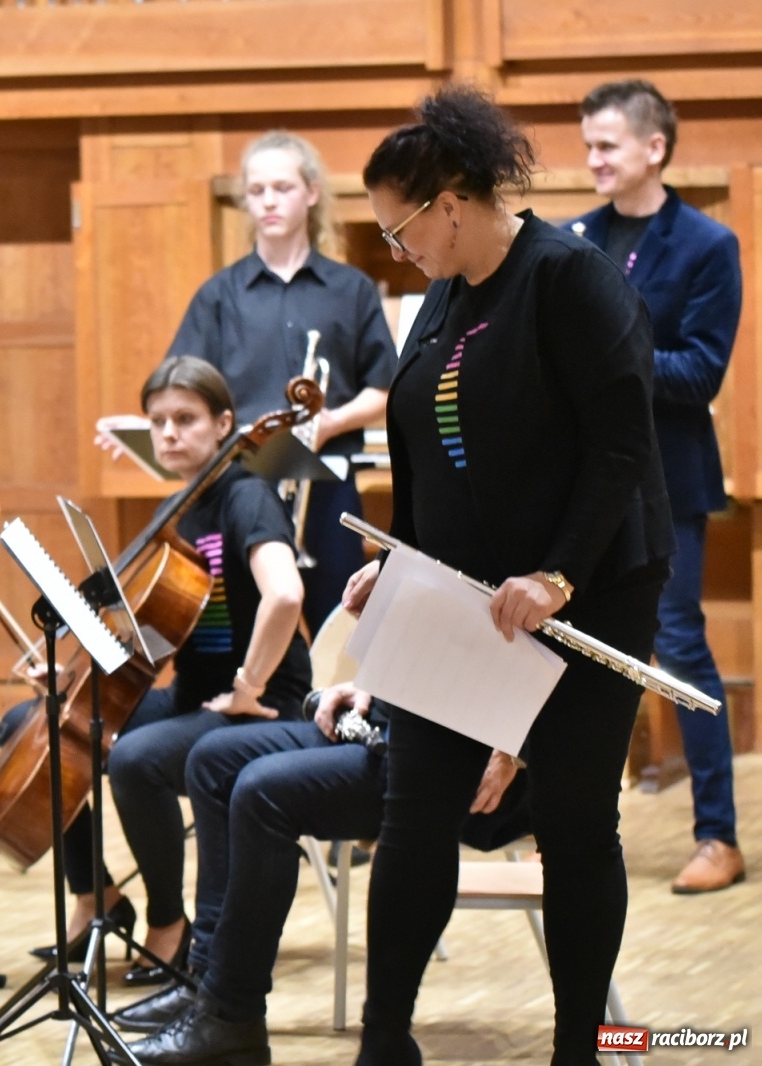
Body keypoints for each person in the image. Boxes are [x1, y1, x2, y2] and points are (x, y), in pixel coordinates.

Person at [349, 86, 673, 1065]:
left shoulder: (569, 277)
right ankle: (382, 1042)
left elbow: (621, 448)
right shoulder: (444, 293)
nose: (395, 252)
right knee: (414, 817)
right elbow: (421, 440)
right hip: (466, 602)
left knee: (574, 822)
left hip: (590, 595)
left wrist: (557, 575)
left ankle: (581, 1046)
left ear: (449, 201)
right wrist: (397, 566)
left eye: (398, 230)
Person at [3, 355, 310, 985]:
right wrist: (65, 672)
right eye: (158, 422)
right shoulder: (178, 509)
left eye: (186, 419)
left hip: (263, 699)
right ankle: (97, 897)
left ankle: (170, 926)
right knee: (31, 720)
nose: (169, 433)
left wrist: (249, 685)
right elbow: (137, 626)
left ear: (225, 423)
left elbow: (284, 595)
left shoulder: (246, 497)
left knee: (139, 759)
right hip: (197, 694)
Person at [114, 683, 529, 1065]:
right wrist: (369, 683)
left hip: (446, 754)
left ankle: (231, 1012)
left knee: (263, 792)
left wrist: (509, 746)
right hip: (389, 722)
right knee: (211, 761)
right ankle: (206, 983)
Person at [108, 132, 397, 632]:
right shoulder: (218, 295)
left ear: (310, 193)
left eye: (281, 187)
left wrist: (330, 422)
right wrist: (144, 424)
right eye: (257, 190)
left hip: (326, 480)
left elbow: (386, 388)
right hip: (241, 486)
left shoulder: (351, 289)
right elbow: (182, 386)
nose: (267, 201)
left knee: (341, 620)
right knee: (239, 622)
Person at [575, 79, 745, 894]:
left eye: (607, 145)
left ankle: (719, 835)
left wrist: (609, 361)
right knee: (574, 654)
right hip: (584, 486)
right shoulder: (575, 238)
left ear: (655, 147)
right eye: (589, 145)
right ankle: (560, 822)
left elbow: (702, 370)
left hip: (667, 485)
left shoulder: (709, 245)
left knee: (678, 653)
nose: (593, 159)